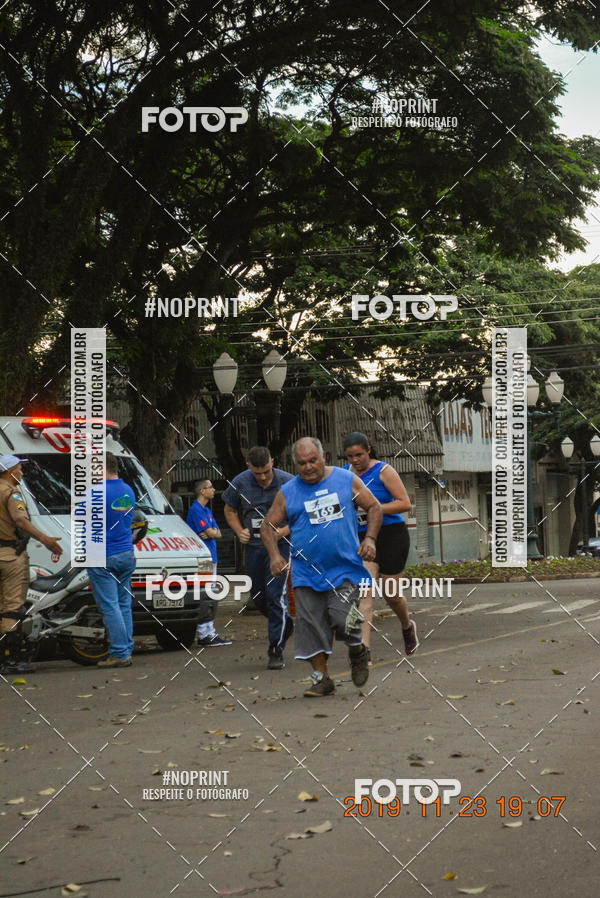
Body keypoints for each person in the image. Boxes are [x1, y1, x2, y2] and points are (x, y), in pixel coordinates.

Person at [261, 437, 382, 697]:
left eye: (312, 460)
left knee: (342, 620)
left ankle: (358, 650)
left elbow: (373, 506)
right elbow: (267, 526)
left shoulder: (345, 480)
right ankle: (322, 679)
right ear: (295, 464)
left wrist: (370, 538)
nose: (308, 467)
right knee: (310, 628)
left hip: (345, 569)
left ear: (323, 456)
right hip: (306, 572)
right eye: (302, 463)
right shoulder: (289, 492)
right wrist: (274, 556)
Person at [343, 431, 418, 658]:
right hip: (364, 537)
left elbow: (404, 503)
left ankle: (407, 626)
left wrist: (373, 508)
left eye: (359, 455)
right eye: (350, 456)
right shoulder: (345, 476)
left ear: (368, 450)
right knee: (364, 593)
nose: (355, 460)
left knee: (392, 595)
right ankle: (364, 649)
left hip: (391, 535)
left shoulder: (383, 471)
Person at [222, 446, 294, 670]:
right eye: (257, 473)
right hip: (254, 547)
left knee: (275, 596)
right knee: (259, 597)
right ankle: (284, 622)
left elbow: (301, 513)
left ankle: (276, 649)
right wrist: (238, 529)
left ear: (273, 462)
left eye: (266, 471)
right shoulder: (240, 482)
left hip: (280, 546)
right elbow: (230, 510)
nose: (263, 477)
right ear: (248, 466)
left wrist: (283, 531)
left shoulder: (288, 482)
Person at [0, 455, 63, 674]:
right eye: (19, 468)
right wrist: (46, 540)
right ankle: (11, 661)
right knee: (11, 608)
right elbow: (20, 520)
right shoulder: (11, 492)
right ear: (10, 472)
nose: (22, 472)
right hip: (9, 557)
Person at [86, 452, 137, 668]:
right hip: (126, 553)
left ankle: (119, 653)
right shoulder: (128, 491)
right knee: (124, 603)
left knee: (110, 606)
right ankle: (126, 648)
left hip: (103, 555)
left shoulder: (95, 492)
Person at [186, 479, 231, 646]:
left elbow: (217, 532)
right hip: (203, 558)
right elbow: (209, 531)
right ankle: (205, 634)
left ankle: (208, 632)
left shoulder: (206, 510)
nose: (213, 490)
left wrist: (212, 532)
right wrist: (211, 532)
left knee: (210, 594)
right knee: (206, 595)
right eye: (210, 487)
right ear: (202, 491)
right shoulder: (196, 510)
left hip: (211, 557)